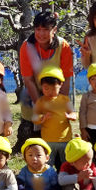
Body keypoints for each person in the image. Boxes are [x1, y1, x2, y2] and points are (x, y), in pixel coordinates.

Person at [15, 11, 74, 153]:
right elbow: (28, 79)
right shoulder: (27, 47)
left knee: (56, 128)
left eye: (46, 30)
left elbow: (66, 78)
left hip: (56, 91)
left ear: (54, 29)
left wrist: (59, 102)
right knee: (33, 131)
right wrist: (40, 105)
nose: (41, 34)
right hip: (33, 92)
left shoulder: (63, 46)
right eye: (38, 30)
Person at [32, 66, 76, 169]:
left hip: (65, 139)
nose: (50, 92)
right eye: (46, 88)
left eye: (53, 89)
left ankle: (66, 180)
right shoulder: (41, 101)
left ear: (60, 85)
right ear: (41, 86)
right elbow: (34, 117)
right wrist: (42, 117)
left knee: (66, 162)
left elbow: (73, 112)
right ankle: (48, 180)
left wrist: (71, 116)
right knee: (47, 163)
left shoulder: (65, 100)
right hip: (48, 139)